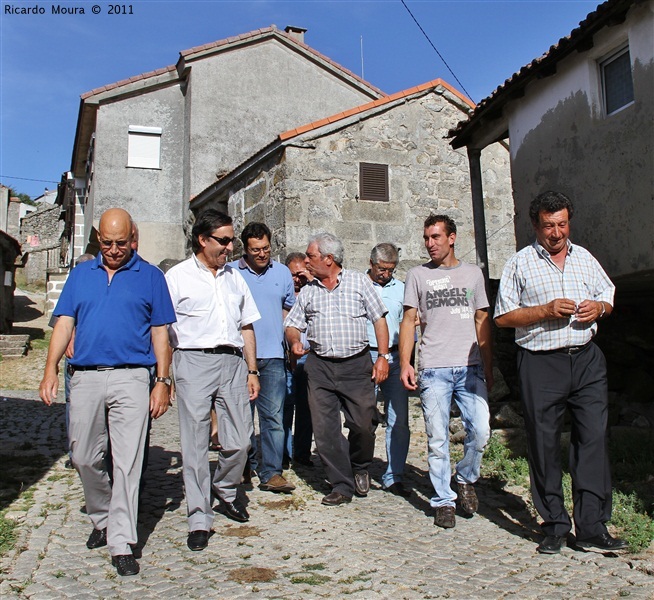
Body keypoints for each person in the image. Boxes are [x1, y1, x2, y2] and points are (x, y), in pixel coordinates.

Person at [39, 208, 175, 577]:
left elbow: (160, 334)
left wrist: (162, 382)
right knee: (83, 455)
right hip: (84, 377)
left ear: (133, 238)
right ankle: (102, 517)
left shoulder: (150, 277)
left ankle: (121, 541)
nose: (114, 250)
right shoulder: (81, 274)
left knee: (127, 462)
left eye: (120, 242)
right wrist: (50, 368)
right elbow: (65, 323)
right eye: (107, 242)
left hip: (132, 378)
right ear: (98, 238)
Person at [494, 191, 626, 554]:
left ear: (569, 222)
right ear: (536, 226)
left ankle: (592, 525)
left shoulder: (584, 258)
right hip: (541, 363)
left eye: (562, 224)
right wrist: (545, 310)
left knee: (593, 439)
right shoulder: (520, 264)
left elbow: (609, 295)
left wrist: (599, 307)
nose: (556, 232)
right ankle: (554, 523)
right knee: (544, 443)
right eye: (549, 226)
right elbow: (504, 317)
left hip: (586, 359)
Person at [165, 209, 260, 552]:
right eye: (223, 240)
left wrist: (252, 370)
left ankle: (225, 488)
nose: (230, 247)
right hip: (192, 360)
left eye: (231, 239)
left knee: (241, 440)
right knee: (194, 444)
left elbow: (247, 325)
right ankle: (199, 519)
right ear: (202, 240)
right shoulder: (176, 277)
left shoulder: (235, 278)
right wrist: (166, 375)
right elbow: (162, 329)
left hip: (233, 363)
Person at [399, 215, 492, 529]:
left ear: (452, 238)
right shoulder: (417, 275)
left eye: (436, 237)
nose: (430, 243)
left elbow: (482, 322)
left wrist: (489, 366)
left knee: (480, 431)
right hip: (433, 369)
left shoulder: (473, 275)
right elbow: (409, 321)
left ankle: (465, 477)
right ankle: (443, 500)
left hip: (470, 367)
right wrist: (406, 363)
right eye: (426, 237)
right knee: (437, 440)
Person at [285, 232, 390, 506]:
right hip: (319, 367)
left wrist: (382, 357)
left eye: (311, 256)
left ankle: (360, 465)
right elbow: (292, 324)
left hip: (356, 365)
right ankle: (342, 484)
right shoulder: (308, 292)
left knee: (364, 424)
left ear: (328, 259)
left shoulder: (358, 283)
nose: (306, 261)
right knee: (325, 430)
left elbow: (379, 319)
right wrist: (295, 341)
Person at [230, 222, 296, 493]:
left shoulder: (282, 273)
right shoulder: (230, 273)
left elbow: (288, 313)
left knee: (274, 418)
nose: (262, 254)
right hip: (240, 358)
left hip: (273, 357)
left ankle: (271, 472)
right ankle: (244, 466)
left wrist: (291, 346)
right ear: (245, 249)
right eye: (255, 249)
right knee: (240, 417)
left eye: (266, 248)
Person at [366, 243, 411, 497]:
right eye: (382, 269)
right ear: (371, 264)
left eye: (391, 270)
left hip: (395, 357)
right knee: (362, 417)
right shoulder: (359, 286)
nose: (386, 274)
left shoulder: (402, 289)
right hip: (367, 355)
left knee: (399, 418)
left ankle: (394, 475)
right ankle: (360, 466)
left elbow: (409, 323)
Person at [282, 252, 314, 468]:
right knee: (284, 409)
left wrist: (310, 280)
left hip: (307, 359)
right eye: (294, 275)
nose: (297, 279)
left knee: (306, 409)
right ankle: (283, 453)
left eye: (301, 274)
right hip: (284, 358)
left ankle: (302, 453)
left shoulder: (314, 292)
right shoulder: (283, 295)